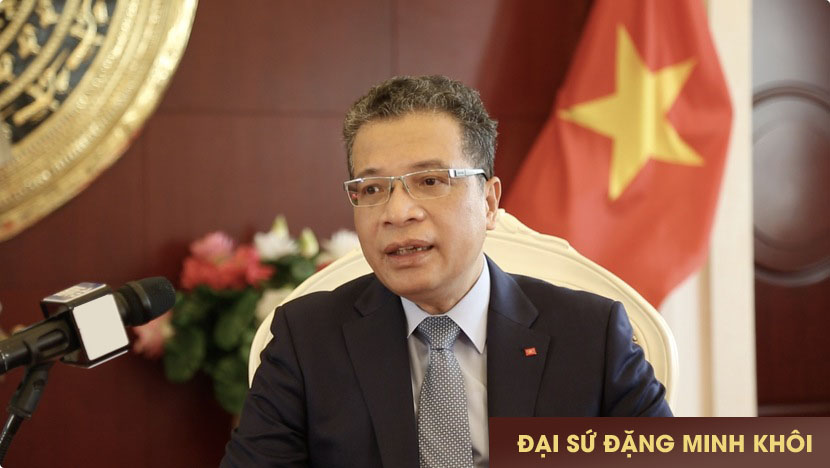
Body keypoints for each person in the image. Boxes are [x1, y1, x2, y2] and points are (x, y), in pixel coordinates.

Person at [220, 75, 671, 468]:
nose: (397, 212)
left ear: (488, 203)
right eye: (372, 188)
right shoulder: (308, 339)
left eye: (430, 181)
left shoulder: (590, 335)